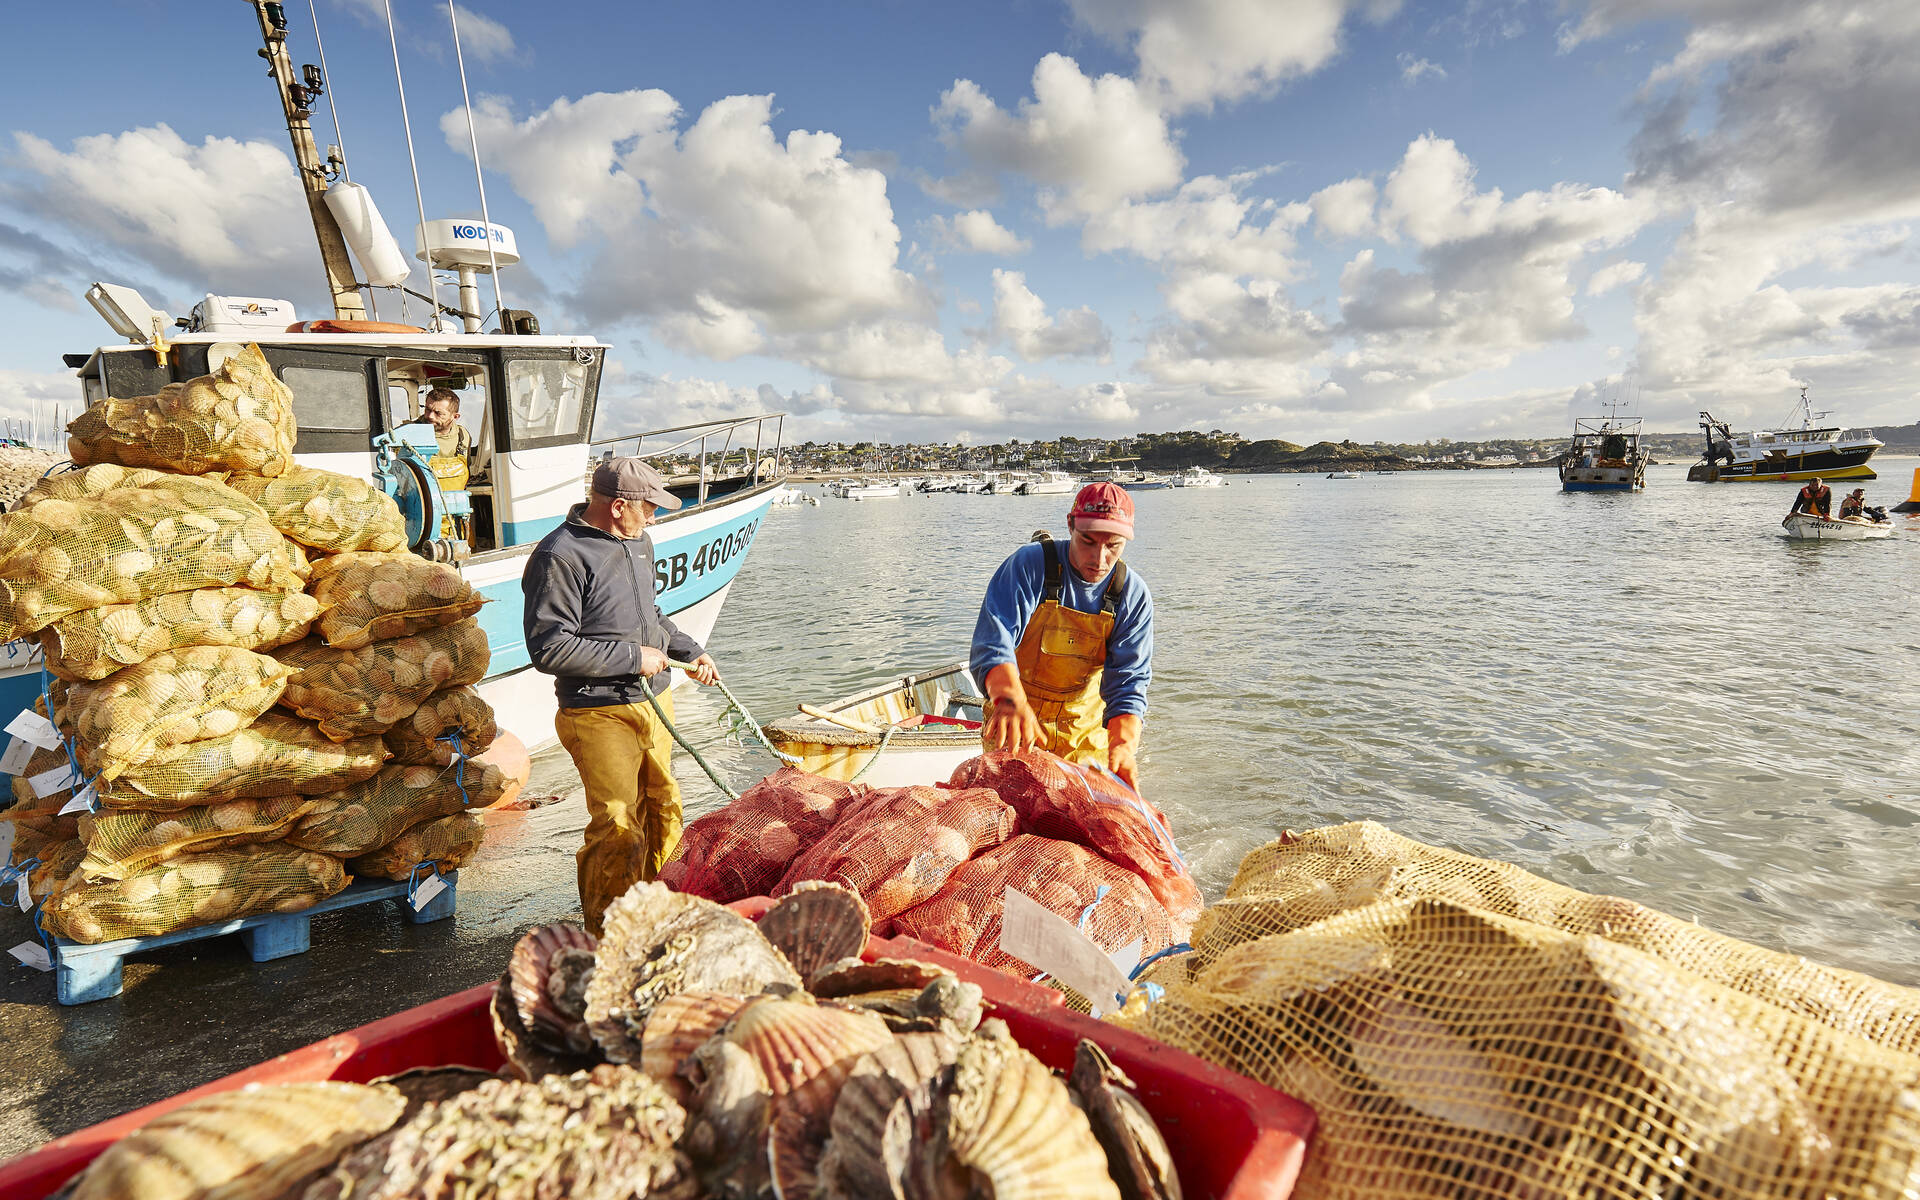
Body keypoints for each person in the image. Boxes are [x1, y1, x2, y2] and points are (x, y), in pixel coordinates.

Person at [522, 457, 719, 936]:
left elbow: (648, 613)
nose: (653, 517)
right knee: (616, 825)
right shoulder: (560, 556)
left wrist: (691, 651)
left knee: (665, 805)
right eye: (648, 507)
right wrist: (633, 658)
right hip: (597, 710)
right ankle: (606, 934)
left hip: (654, 701)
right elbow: (549, 648)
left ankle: (659, 916)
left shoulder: (639, 542)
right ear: (617, 507)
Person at [970, 482, 1153, 791]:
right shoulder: (1028, 566)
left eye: (1114, 546)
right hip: (1015, 727)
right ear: (1070, 524)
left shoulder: (1132, 595)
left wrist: (1122, 746)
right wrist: (1008, 698)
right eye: (1088, 541)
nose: (1099, 558)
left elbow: (1128, 683)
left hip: (1083, 739)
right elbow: (993, 643)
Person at [423, 387, 473, 462]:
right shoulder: (409, 432)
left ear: (455, 417)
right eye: (428, 410)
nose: (430, 416)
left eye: (438, 413)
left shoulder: (463, 435)